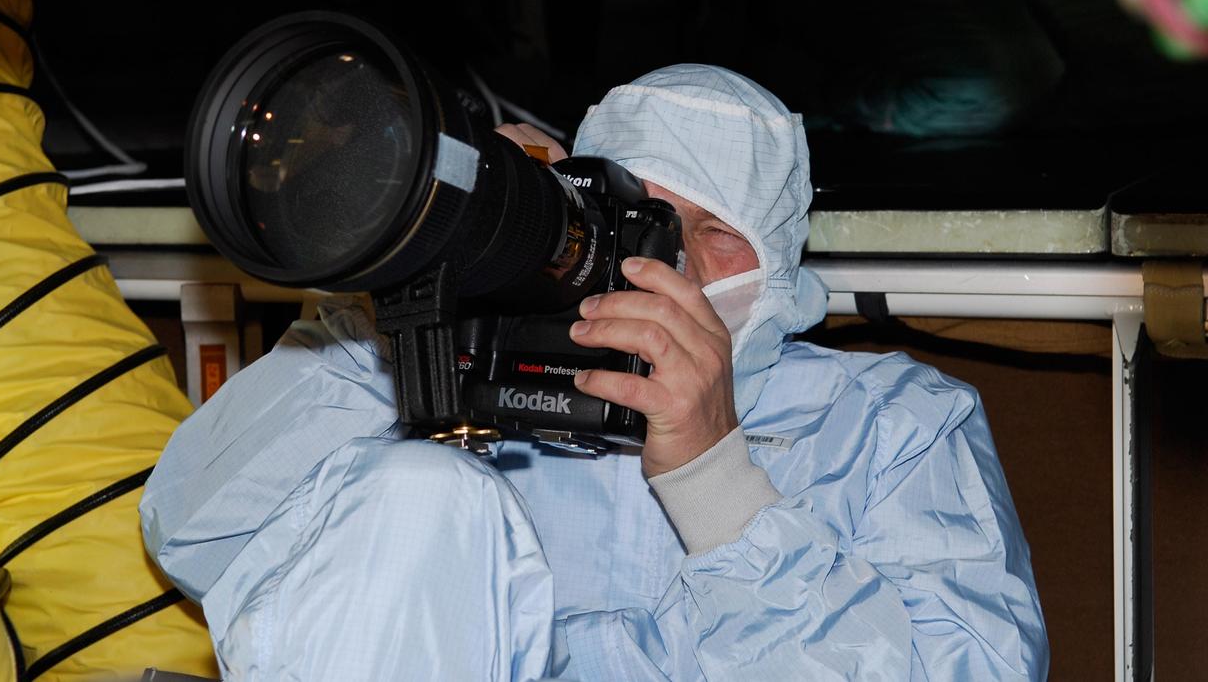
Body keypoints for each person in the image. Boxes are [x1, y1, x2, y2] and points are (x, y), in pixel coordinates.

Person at [140, 65, 1048, 680]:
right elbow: (192, 536)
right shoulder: (460, 363)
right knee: (417, 488)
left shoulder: (890, 419)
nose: (677, 265)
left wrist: (717, 481)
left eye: (718, 233)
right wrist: (401, 301)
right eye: (645, 221)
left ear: (777, 260)